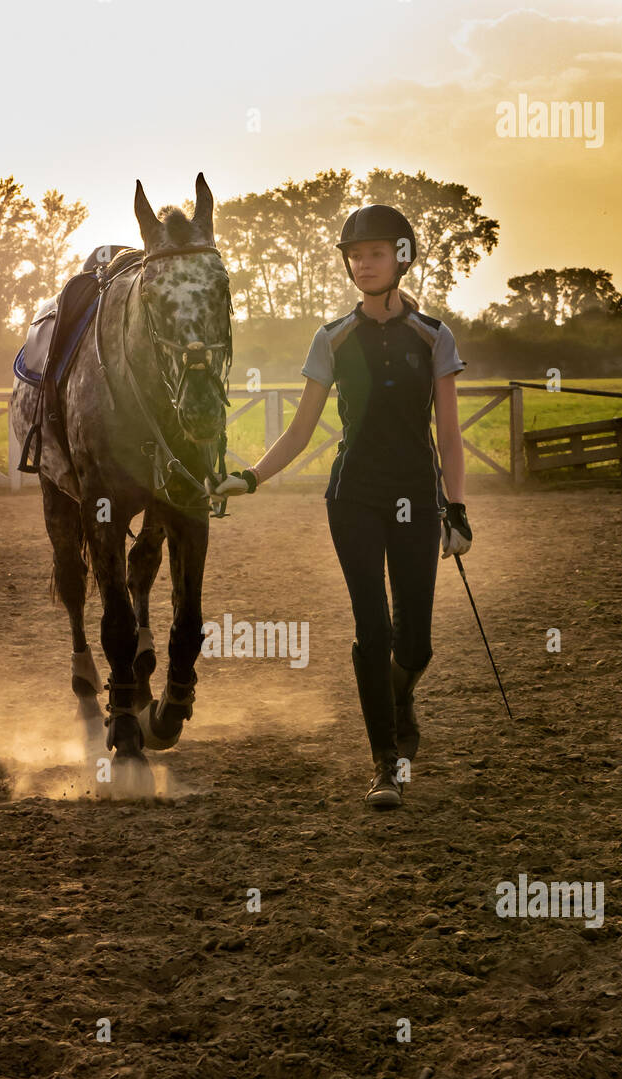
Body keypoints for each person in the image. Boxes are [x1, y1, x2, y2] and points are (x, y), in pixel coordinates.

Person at [209, 204, 474, 809]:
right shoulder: (331, 338)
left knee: (417, 646)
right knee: (372, 628)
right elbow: (301, 431)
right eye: (354, 256)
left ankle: (399, 697)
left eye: (375, 253)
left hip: (417, 497)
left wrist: (455, 508)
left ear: (402, 257)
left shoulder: (434, 336)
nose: (363, 264)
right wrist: (250, 478)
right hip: (352, 497)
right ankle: (385, 762)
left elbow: (451, 435)